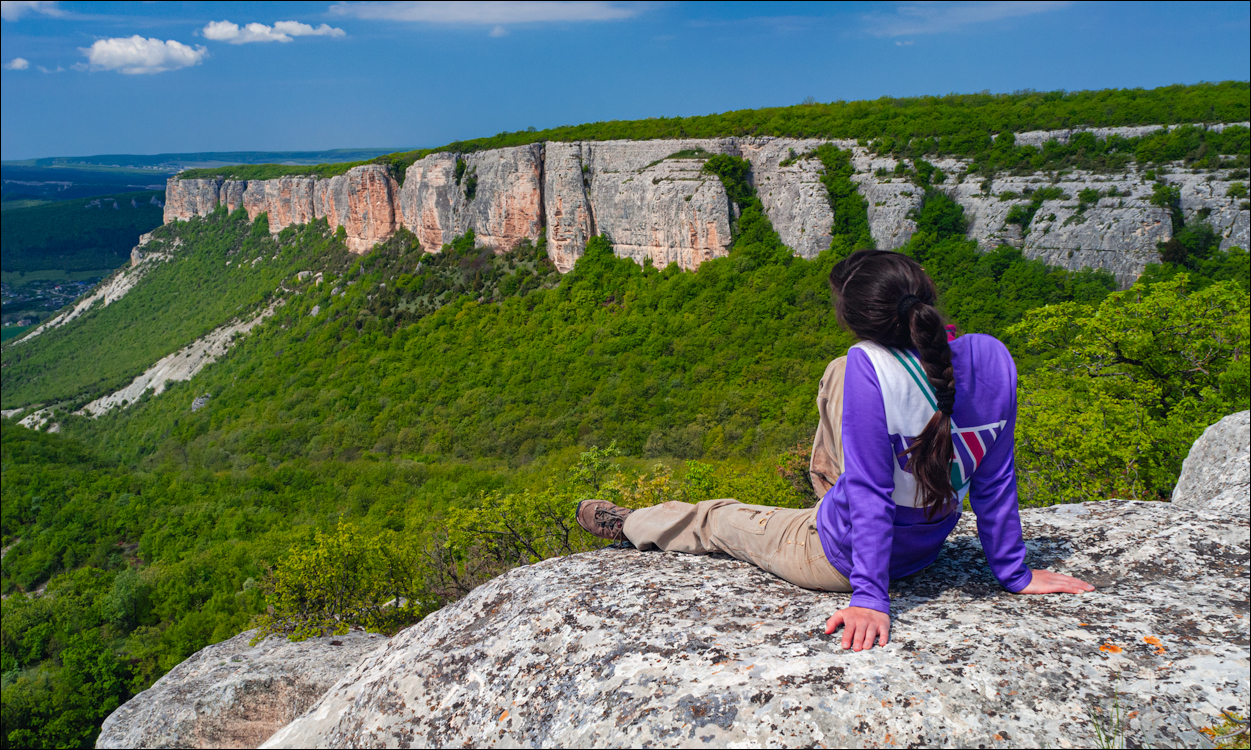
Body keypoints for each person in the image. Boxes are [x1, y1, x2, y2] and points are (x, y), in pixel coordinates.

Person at [575, 249, 1094, 651]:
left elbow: (871, 494)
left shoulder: (867, 366)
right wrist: (1014, 573)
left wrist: (870, 598)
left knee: (718, 519)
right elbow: (995, 480)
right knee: (840, 376)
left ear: (857, 322)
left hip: (836, 555)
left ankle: (631, 524)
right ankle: (827, 491)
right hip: (926, 546)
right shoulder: (993, 356)